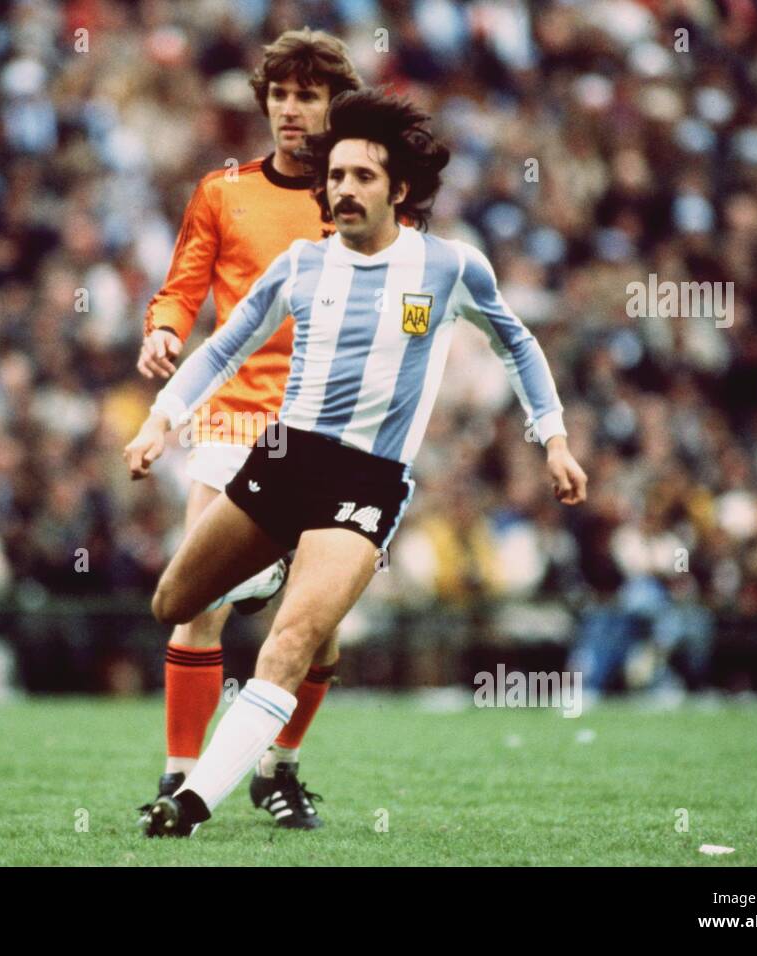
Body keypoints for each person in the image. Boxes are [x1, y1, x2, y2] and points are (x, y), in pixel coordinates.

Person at [125, 89, 589, 836]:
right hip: (284, 460)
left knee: (292, 640)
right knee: (173, 605)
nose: (343, 188)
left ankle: (190, 802)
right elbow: (223, 347)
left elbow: (520, 344)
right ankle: (267, 565)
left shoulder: (448, 267)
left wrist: (555, 438)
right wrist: (160, 422)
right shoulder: (301, 265)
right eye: (335, 176)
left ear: (398, 189)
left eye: (362, 177)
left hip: (364, 482)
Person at [134, 29, 362, 829]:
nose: (292, 110)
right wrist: (163, 330)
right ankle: (179, 776)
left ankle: (277, 770)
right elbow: (180, 287)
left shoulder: (357, 196)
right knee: (202, 600)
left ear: (334, 103)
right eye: (281, 94)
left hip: (329, 429)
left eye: (308, 94)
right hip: (233, 421)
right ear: (265, 102)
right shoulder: (222, 191)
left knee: (319, 626)